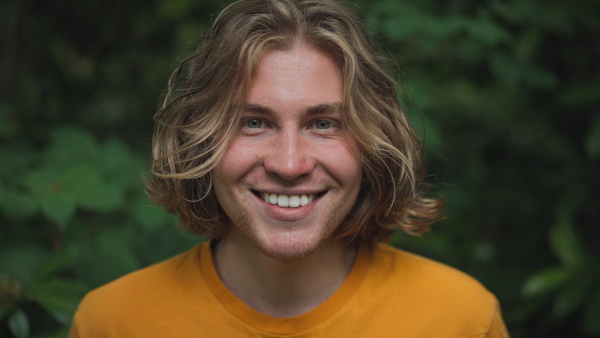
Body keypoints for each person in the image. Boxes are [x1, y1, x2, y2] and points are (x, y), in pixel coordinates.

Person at [69, 0, 509, 336]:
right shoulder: (112, 322)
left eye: (324, 124)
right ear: (200, 139)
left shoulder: (460, 318)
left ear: (375, 143)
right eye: (254, 122)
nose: (289, 163)